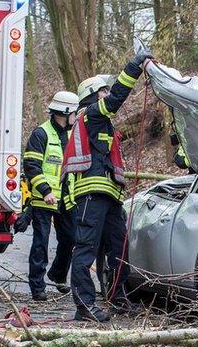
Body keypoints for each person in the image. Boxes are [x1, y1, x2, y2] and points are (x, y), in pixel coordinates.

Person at [63, 50, 152, 322]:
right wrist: (134, 68)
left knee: (119, 247)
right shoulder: (92, 114)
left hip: (109, 196)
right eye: (102, 91)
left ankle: (118, 298)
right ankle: (84, 306)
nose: (106, 94)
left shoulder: (101, 122)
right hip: (91, 194)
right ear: (92, 96)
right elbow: (116, 99)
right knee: (86, 250)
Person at [22, 91, 80, 302]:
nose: (76, 117)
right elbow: (31, 166)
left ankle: (57, 274)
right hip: (44, 199)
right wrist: (46, 191)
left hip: (67, 198)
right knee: (41, 243)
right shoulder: (41, 134)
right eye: (74, 112)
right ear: (65, 112)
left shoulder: (72, 134)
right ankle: (37, 287)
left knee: (71, 238)